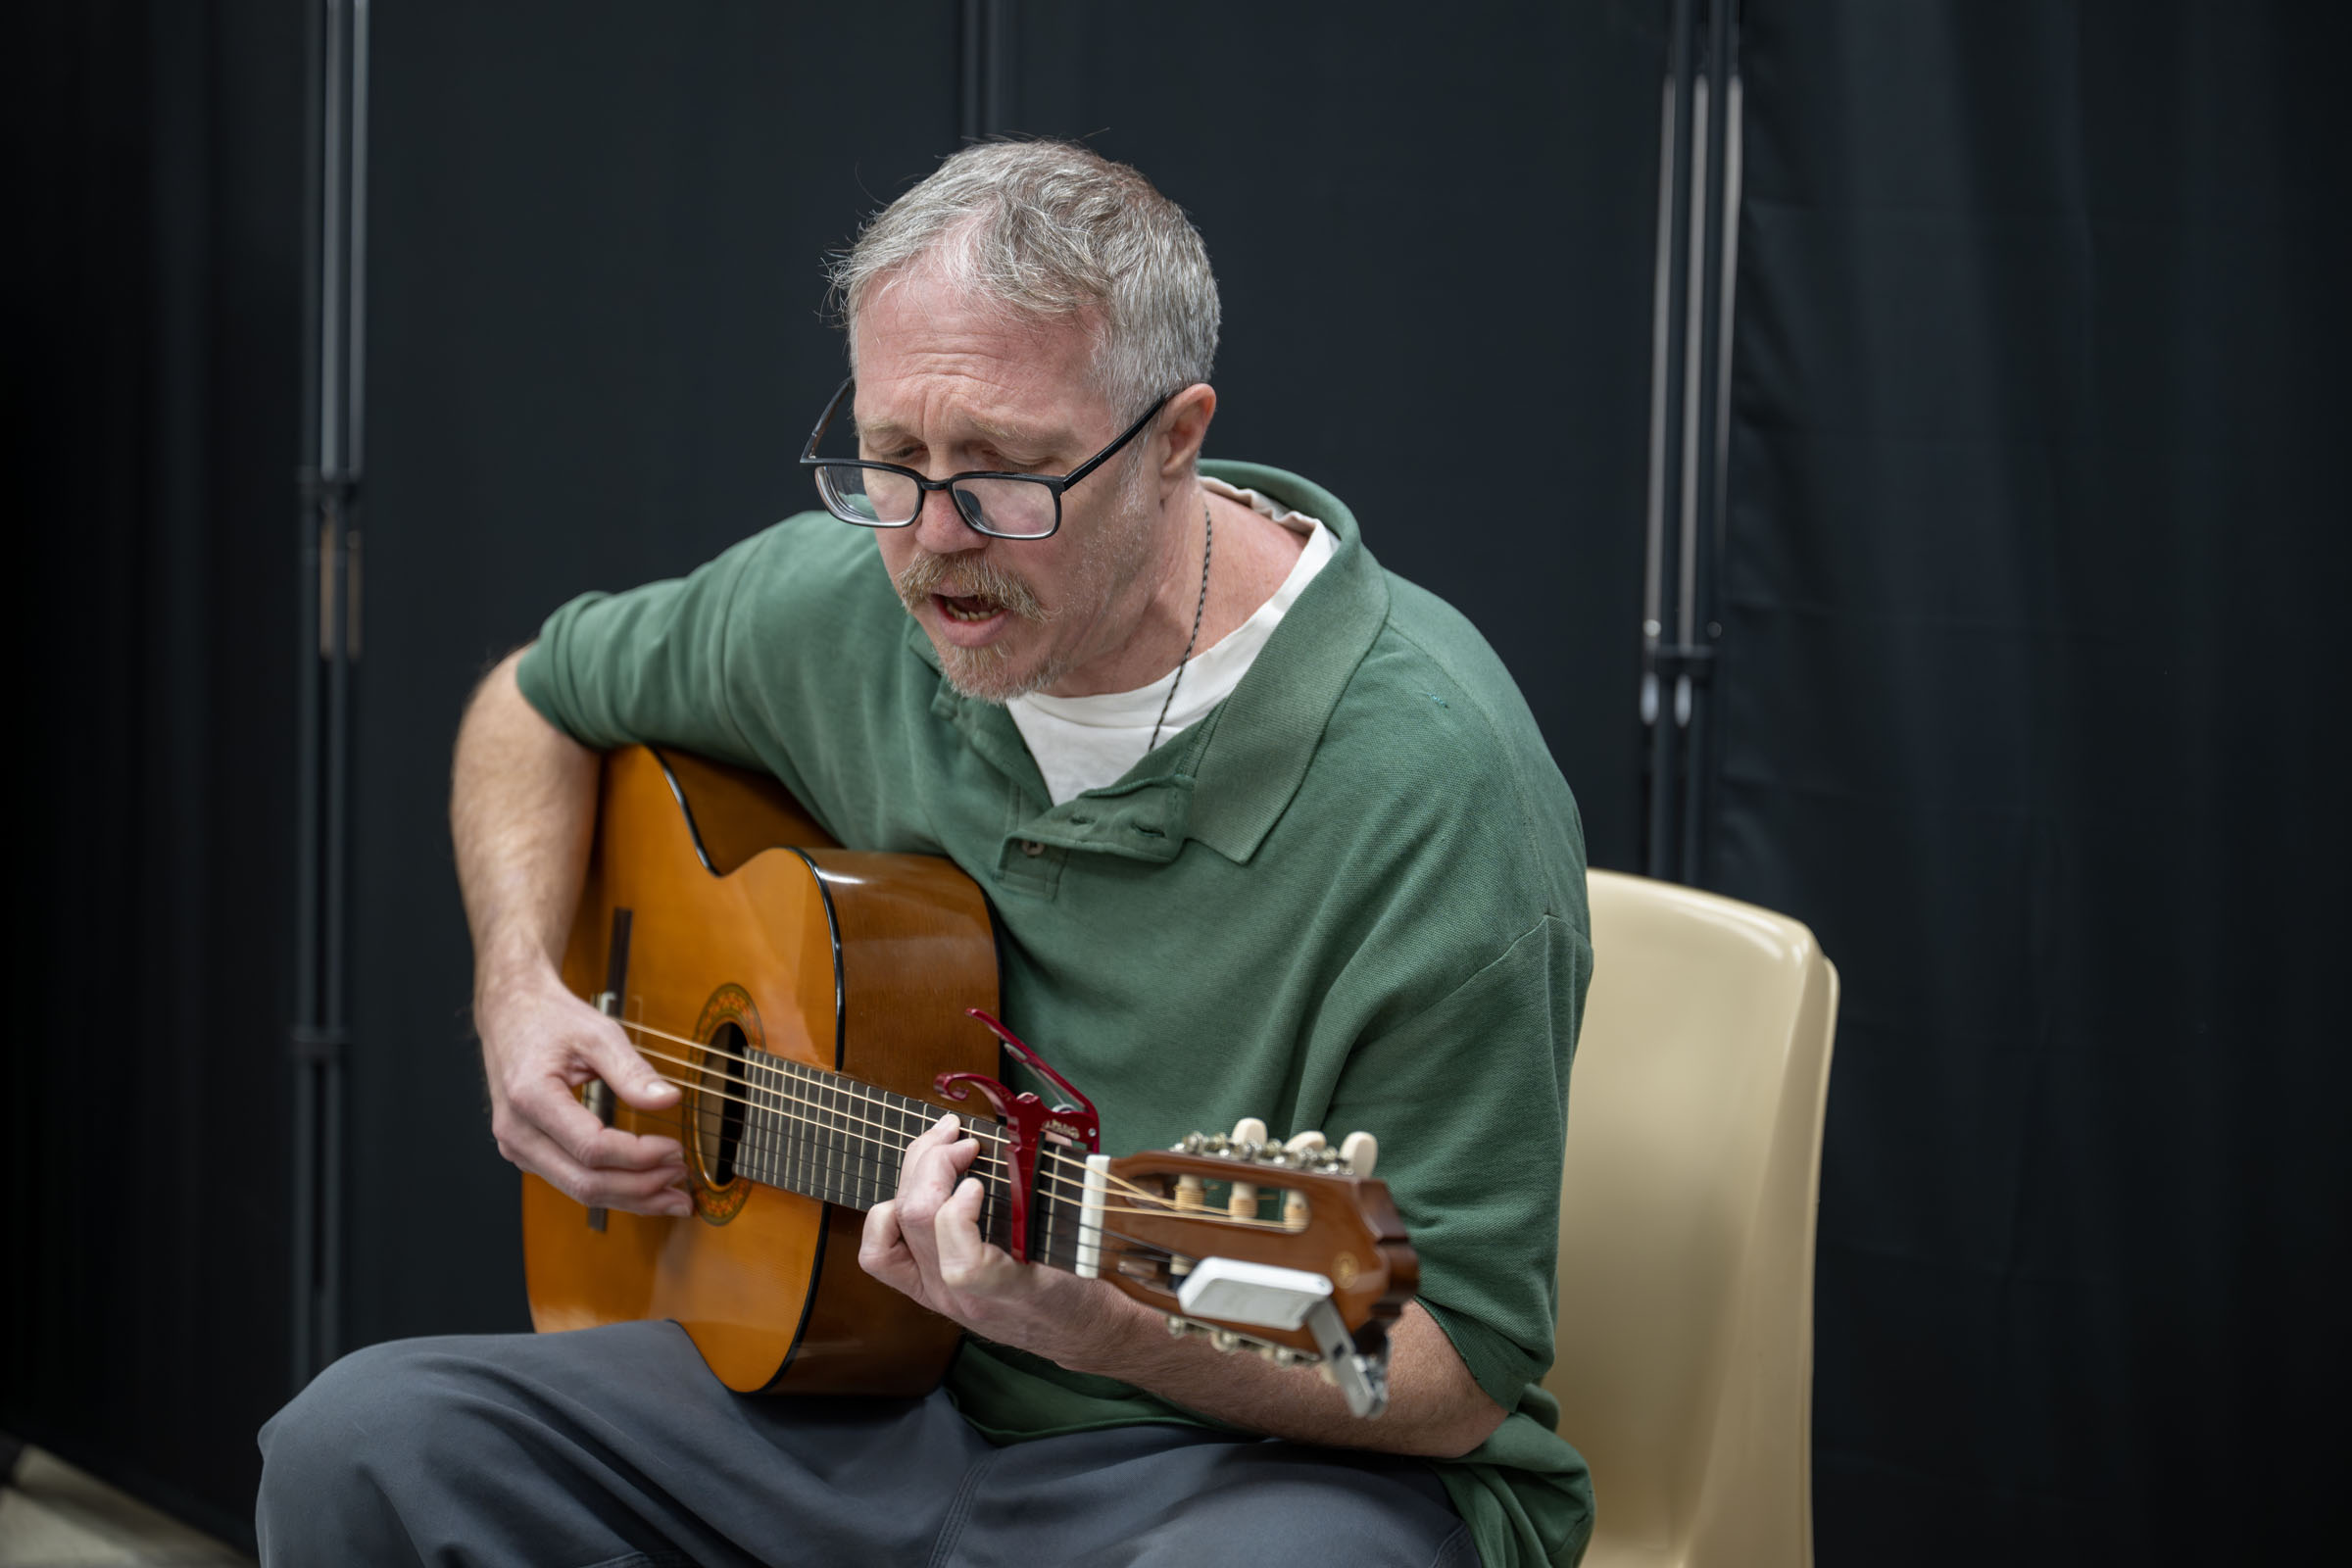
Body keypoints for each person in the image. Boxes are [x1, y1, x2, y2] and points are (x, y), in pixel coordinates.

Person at [256, 139, 1594, 1568]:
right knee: (359, 1445)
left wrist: (1111, 1325)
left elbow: (1451, 1367)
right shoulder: (852, 599)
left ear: (1174, 439)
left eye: (1007, 474)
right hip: (861, 1397)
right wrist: (517, 988)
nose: (933, 543)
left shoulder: (1434, 783)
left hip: (1234, 1464)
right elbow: (531, 703)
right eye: (891, 458)